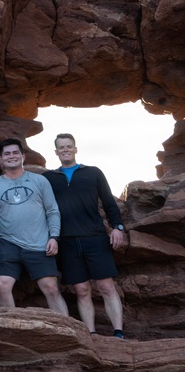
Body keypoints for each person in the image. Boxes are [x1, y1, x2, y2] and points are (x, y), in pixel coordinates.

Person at [44, 133, 127, 337]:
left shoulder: (93, 173)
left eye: (69, 146)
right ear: (56, 152)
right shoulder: (48, 178)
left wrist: (117, 227)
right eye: (61, 147)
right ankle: (91, 334)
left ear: (75, 149)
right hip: (67, 242)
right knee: (81, 290)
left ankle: (119, 333)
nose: (65, 150)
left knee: (106, 286)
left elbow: (108, 202)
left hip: (95, 237)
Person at [0, 139, 68, 315]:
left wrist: (54, 237)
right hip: (8, 243)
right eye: (7, 153)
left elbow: (52, 211)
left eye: (15, 153)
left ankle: (68, 328)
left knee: (51, 287)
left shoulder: (39, 181)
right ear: (0, 159)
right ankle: (11, 328)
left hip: (39, 242)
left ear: (23, 156)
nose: (11, 156)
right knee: (2, 285)